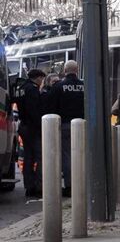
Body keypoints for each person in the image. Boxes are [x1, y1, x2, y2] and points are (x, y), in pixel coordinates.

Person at [49, 61, 83, 197]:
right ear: (77, 70)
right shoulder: (84, 85)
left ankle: (69, 186)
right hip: (81, 125)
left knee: (67, 156)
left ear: (64, 70)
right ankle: (82, 183)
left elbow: (51, 106)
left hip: (63, 125)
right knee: (81, 155)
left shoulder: (59, 86)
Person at [16, 69, 46, 198]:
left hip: (24, 126)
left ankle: (29, 186)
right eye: (42, 79)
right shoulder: (32, 90)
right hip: (33, 127)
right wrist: (41, 125)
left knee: (28, 158)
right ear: (38, 78)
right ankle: (38, 186)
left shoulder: (21, 88)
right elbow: (34, 110)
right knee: (40, 156)